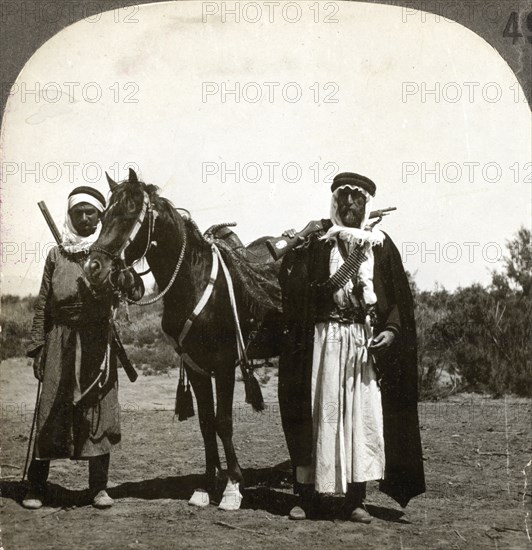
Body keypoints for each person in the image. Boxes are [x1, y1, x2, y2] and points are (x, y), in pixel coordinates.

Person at [278, 172, 425, 522]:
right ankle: (306, 497)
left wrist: (390, 331)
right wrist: (294, 247)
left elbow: (397, 301)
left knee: (358, 418)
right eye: (343, 199)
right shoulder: (317, 241)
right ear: (335, 203)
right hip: (322, 341)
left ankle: (354, 499)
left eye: (356, 199)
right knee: (318, 414)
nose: (349, 205)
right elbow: (294, 288)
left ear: (366, 204)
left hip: (362, 342)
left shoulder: (379, 244)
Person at [23, 186, 120, 510]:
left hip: (96, 342)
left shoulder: (109, 255)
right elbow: (42, 305)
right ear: (70, 215)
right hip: (59, 340)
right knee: (51, 408)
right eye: (77, 212)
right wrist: (38, 347)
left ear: (100, 216)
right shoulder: (56, 254)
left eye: (89, 212)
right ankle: (36, 486)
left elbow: (123, 296)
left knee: (97, 412)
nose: (83, 217)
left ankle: (98, 489)